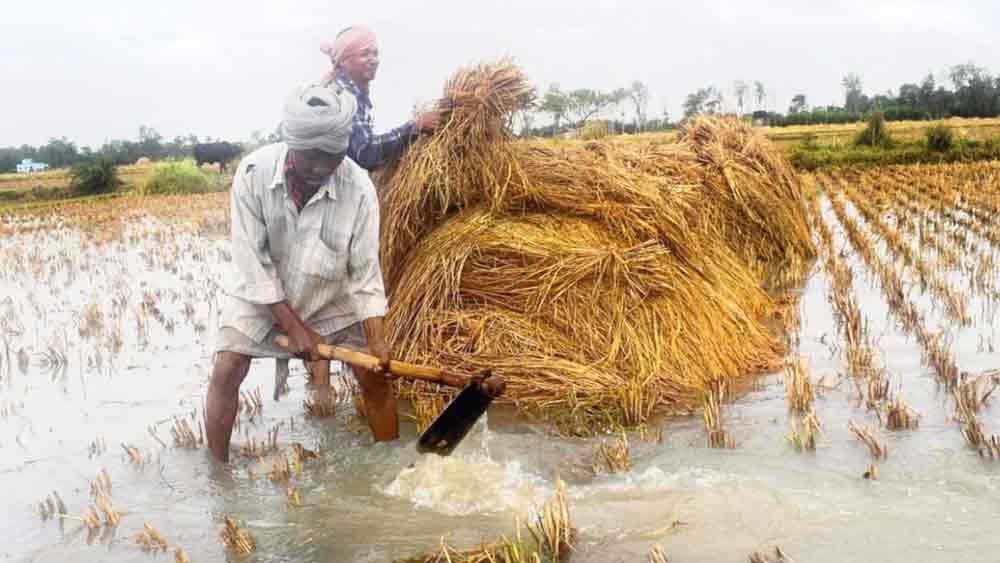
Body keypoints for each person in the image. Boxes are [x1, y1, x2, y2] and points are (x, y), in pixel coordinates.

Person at [205, 84, 397, 462]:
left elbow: (364, 273)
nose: (323, 168)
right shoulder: (253, 174)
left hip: (331, 296)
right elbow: (251, 262)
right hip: (261, 298)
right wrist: (293, 326)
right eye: (312, 158)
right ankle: (217, 471)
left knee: (375, 376)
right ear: (291, 144)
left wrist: (377, 340)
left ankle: (391, 465)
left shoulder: (358, 187)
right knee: (227, 366)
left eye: (334, 157)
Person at [319, 25, 444, 171]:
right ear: (343, 61)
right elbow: (366, 152)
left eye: (375, 54)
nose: (374, 60)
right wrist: (415, 126)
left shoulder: (343, 89)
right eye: (364, 54)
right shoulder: (344, 96)